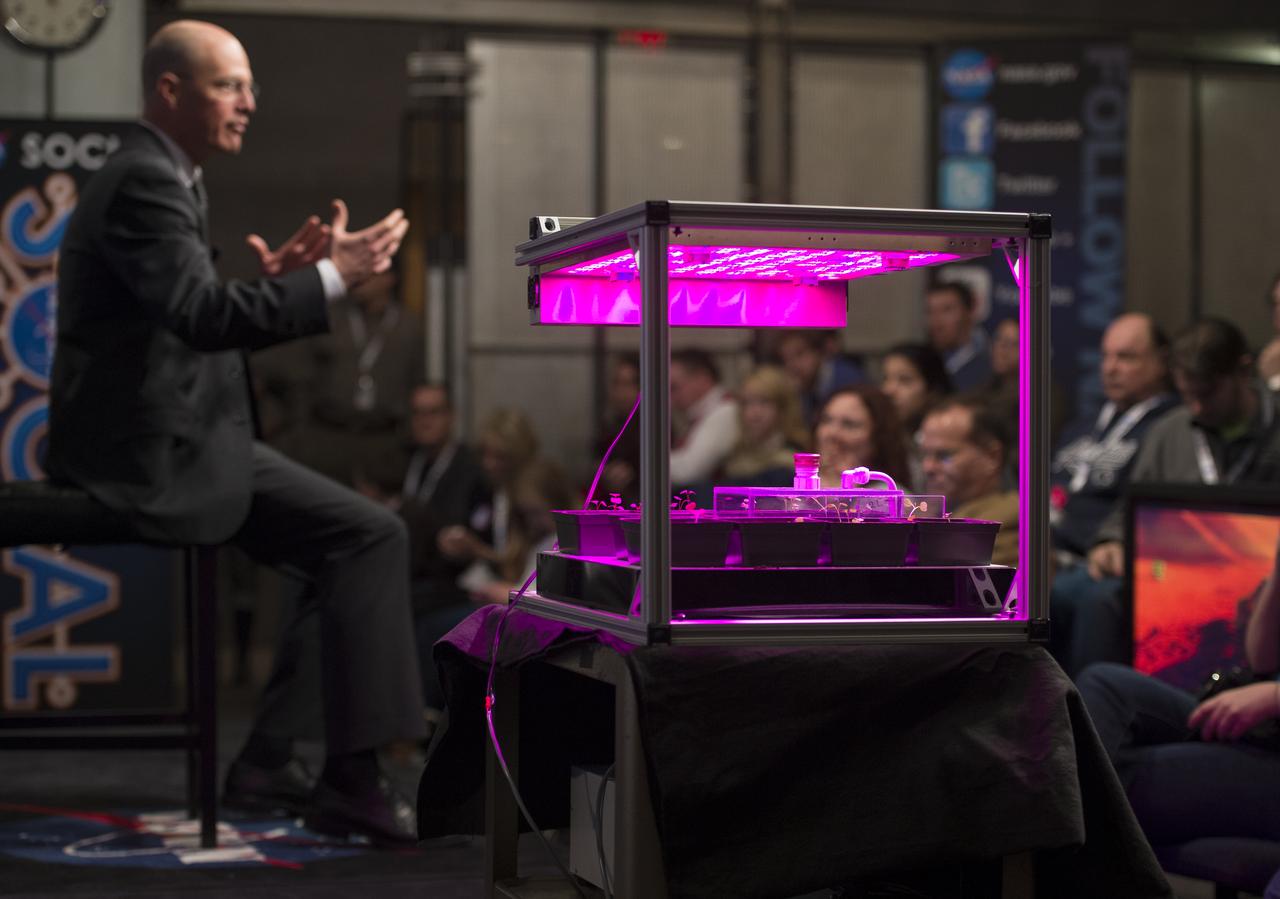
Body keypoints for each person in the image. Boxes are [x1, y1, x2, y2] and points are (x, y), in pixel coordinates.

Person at [46, 20, 424, 845]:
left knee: (353, 542)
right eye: (230, 85)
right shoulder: (148, 178)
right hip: (150, 455)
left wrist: (276, 286)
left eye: (250, 86)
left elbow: (183, 320)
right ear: (169, 91)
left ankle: (274, 761)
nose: (251, 103)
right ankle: (351, 777)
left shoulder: (169, 175)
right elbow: (201, 316)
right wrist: (331, 277)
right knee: (368, 536)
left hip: (174, 436)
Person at [1052, 317, 1280, 678]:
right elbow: (1128, 507)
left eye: (1208, 394)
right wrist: (1111, 541)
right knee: (1056, 595)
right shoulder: (1170, 430)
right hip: (1170, 569)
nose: (1198, 408)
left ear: (1243, 371)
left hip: (1257, 572)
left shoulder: (1274, 426)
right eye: (1188, 396)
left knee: (1099, 602)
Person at [1077, 533, 1280, 849]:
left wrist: (1275, 696)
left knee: (1105, 778)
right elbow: (1263, 658)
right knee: (1103, 684)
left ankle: (1053, 844)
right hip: (1266, 731)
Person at [1050, 314, 1178, 562]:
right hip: (1040, 543)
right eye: (1105, 356)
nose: (1110, 368)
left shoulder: (1167, 429)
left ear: (1162, 362)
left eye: (1126, 357)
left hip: (1093, 556)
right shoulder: (1084, 424)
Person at [918, 398, 1019, 567]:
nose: (927, 467)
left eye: (944, 455)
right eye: (925, 455)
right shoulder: (926, 512)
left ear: (992, 456)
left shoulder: (1010, 520)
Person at [879, 342, 953, 491]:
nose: (889, 390)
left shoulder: (948, 438)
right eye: (886, 379)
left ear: (932, 389)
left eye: (904, 380)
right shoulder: (882, 432)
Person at [721, 365, 811, 486]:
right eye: (747, 403)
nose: (754, 412)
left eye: (764, 402)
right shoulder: (738, 452)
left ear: (782, 408)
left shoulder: (793, 458)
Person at [813, 385, 910, 490]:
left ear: (878, 438)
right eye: (826, 420)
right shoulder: (799, 486)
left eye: (849, 424)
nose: (832, 433)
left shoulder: (892, 493)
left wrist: (845, 494)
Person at [668, 348, 738, 490]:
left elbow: (688, 471)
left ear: (702, 378)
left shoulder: (724, 411)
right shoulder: (702, 413)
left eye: (674, 387)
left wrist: (642, 462)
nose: (671, 398)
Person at [775, 329, 866, 425]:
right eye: (786, 360)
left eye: (800, 354)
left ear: (819, 353)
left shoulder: (848, 380)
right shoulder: (804, 386)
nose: (792, 365)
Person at [925, 281, 991, 392]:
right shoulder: (924, 360)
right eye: (930, 312)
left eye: (946, 310)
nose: (936, 322)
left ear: (970, 311)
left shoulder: (993, 360)